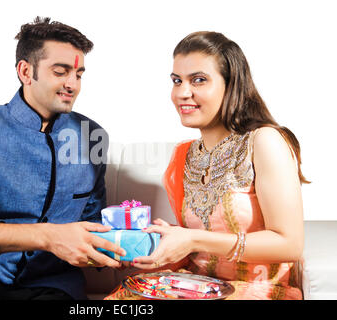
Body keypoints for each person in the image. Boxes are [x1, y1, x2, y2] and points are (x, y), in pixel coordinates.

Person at [0, 16, 126, 300]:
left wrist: (135, 245)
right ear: (26, 71)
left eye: (78, 74)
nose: (73, 84)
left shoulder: (92, 136)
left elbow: (94, 223)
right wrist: (49, 237)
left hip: (51, 282)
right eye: (61, 71)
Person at [106, 31, 307, 300]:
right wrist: (157, 246)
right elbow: (195, 252)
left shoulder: (264, 141)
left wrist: (192, 239)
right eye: (177, 81)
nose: (182, 93)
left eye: (198, 80)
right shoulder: (185, 155)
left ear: (231, 84)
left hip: (257, 290)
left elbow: (289, 244)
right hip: (194, 286)